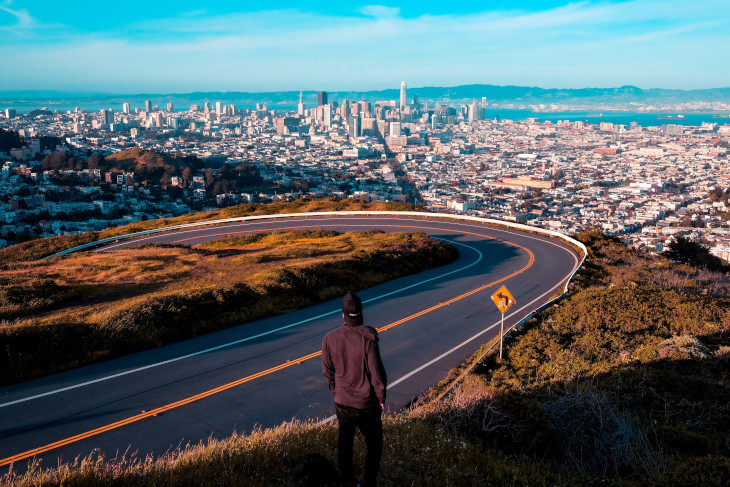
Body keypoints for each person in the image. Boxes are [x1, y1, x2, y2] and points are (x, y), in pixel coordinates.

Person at [322, 291, 387, 487]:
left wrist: (336, 391)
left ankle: (348, 481)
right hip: (366, 405)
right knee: (374, 446)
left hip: (342, 403)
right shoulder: (368, 339)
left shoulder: (329, 338)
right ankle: (369, 483)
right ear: (360, 313)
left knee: (345, 443)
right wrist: (381, 397)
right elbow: (376, 374)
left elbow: (327, 371)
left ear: (342, 314)